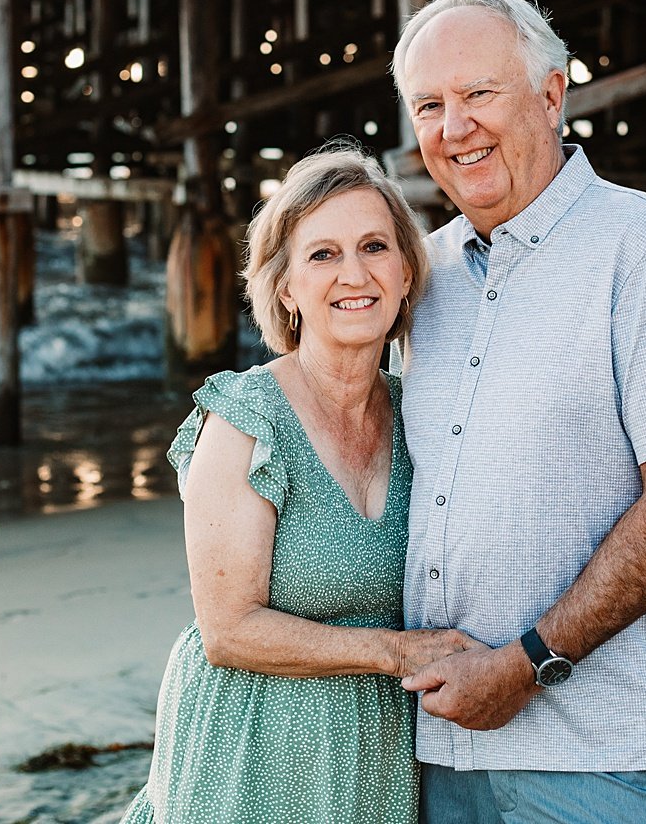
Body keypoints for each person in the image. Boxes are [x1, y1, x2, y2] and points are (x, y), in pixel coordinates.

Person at [390, 0, 646, 823]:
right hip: (437, 751)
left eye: (479, 94)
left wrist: (526, 664)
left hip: (600, 753)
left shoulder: (645, 250)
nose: (454, 128)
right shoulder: (420, 278)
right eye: (430, 105)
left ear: (552, 95)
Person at [119, 146, 482, 824]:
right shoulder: (247, 418)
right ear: (285, 287)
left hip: (375, 751)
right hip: (255, 748)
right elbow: (227, 628)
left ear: (406, 271)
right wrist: (396, 651)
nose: (354, 273)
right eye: (322, 254)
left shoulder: (424, 415)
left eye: (375, 246)